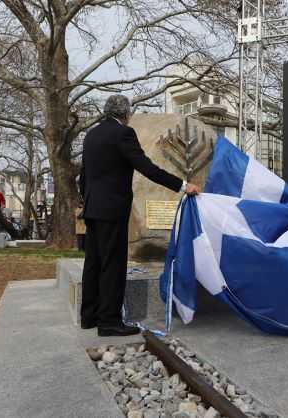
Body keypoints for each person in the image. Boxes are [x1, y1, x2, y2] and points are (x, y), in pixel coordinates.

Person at [79, 94, 200, 337]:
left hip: (93, 208)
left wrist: (87, 200)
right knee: (113, 265)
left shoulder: (92, 134)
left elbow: (84, 174)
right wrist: (182, 185)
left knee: (93, 263)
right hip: (112, 209)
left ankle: (89, 316)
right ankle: (109, 322)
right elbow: (146, 167)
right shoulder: (123, 133)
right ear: (125, 114)